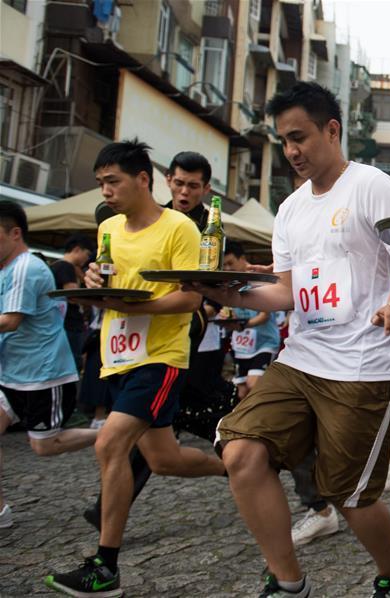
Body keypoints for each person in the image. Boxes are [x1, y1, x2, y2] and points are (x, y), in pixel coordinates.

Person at [191, 82, 390, 597]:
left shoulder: (371, 185)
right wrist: (228, 294)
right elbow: (285, 291)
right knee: (242, 452)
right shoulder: (291, 209)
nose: (292, 151)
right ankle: (288, 582)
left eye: (300, 137)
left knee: (349, 494)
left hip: (363, 363)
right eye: (284, 141)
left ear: (332, 130)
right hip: (302, 358)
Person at [45, 140, 226, 597]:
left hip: (161, 356)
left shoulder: (180, 229)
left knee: (110, 444)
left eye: (112, 181)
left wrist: (129, 303)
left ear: (142, 179)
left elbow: (190, 298)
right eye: (100, 182)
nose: (104, 191)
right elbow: (109, 283)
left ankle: (104, 568)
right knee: (163, 459)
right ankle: (234, 467)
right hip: (118, 355)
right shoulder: (110, 228)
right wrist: (93, 283)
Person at [0, 201, 99, 530]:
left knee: (44, 446)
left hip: (44, 375)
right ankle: (1, 512)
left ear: (15, 233)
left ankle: (107, 434)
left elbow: (10, 321)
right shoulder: (7, 269)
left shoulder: (26, 268)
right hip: (12, 374)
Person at [222, 242, 281, 400]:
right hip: (241, 346)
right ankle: (245, 423)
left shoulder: (257, 277)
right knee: (241, 391)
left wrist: (242, 325)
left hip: (264, 343)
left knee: (253, 385)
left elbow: (264, 315)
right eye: (224, 265)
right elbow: (230, 314)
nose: (227, 269)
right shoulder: (230, 282)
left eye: (230, 263)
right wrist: (227, 319)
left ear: (242, 259)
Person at [49, 234, 94, 369]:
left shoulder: (55, 265)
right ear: (77, 250)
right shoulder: (65, 266)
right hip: (70, 323)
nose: (87, 259)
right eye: (86, 254)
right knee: (72, 364)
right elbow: (72, 295)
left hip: (60, 322)